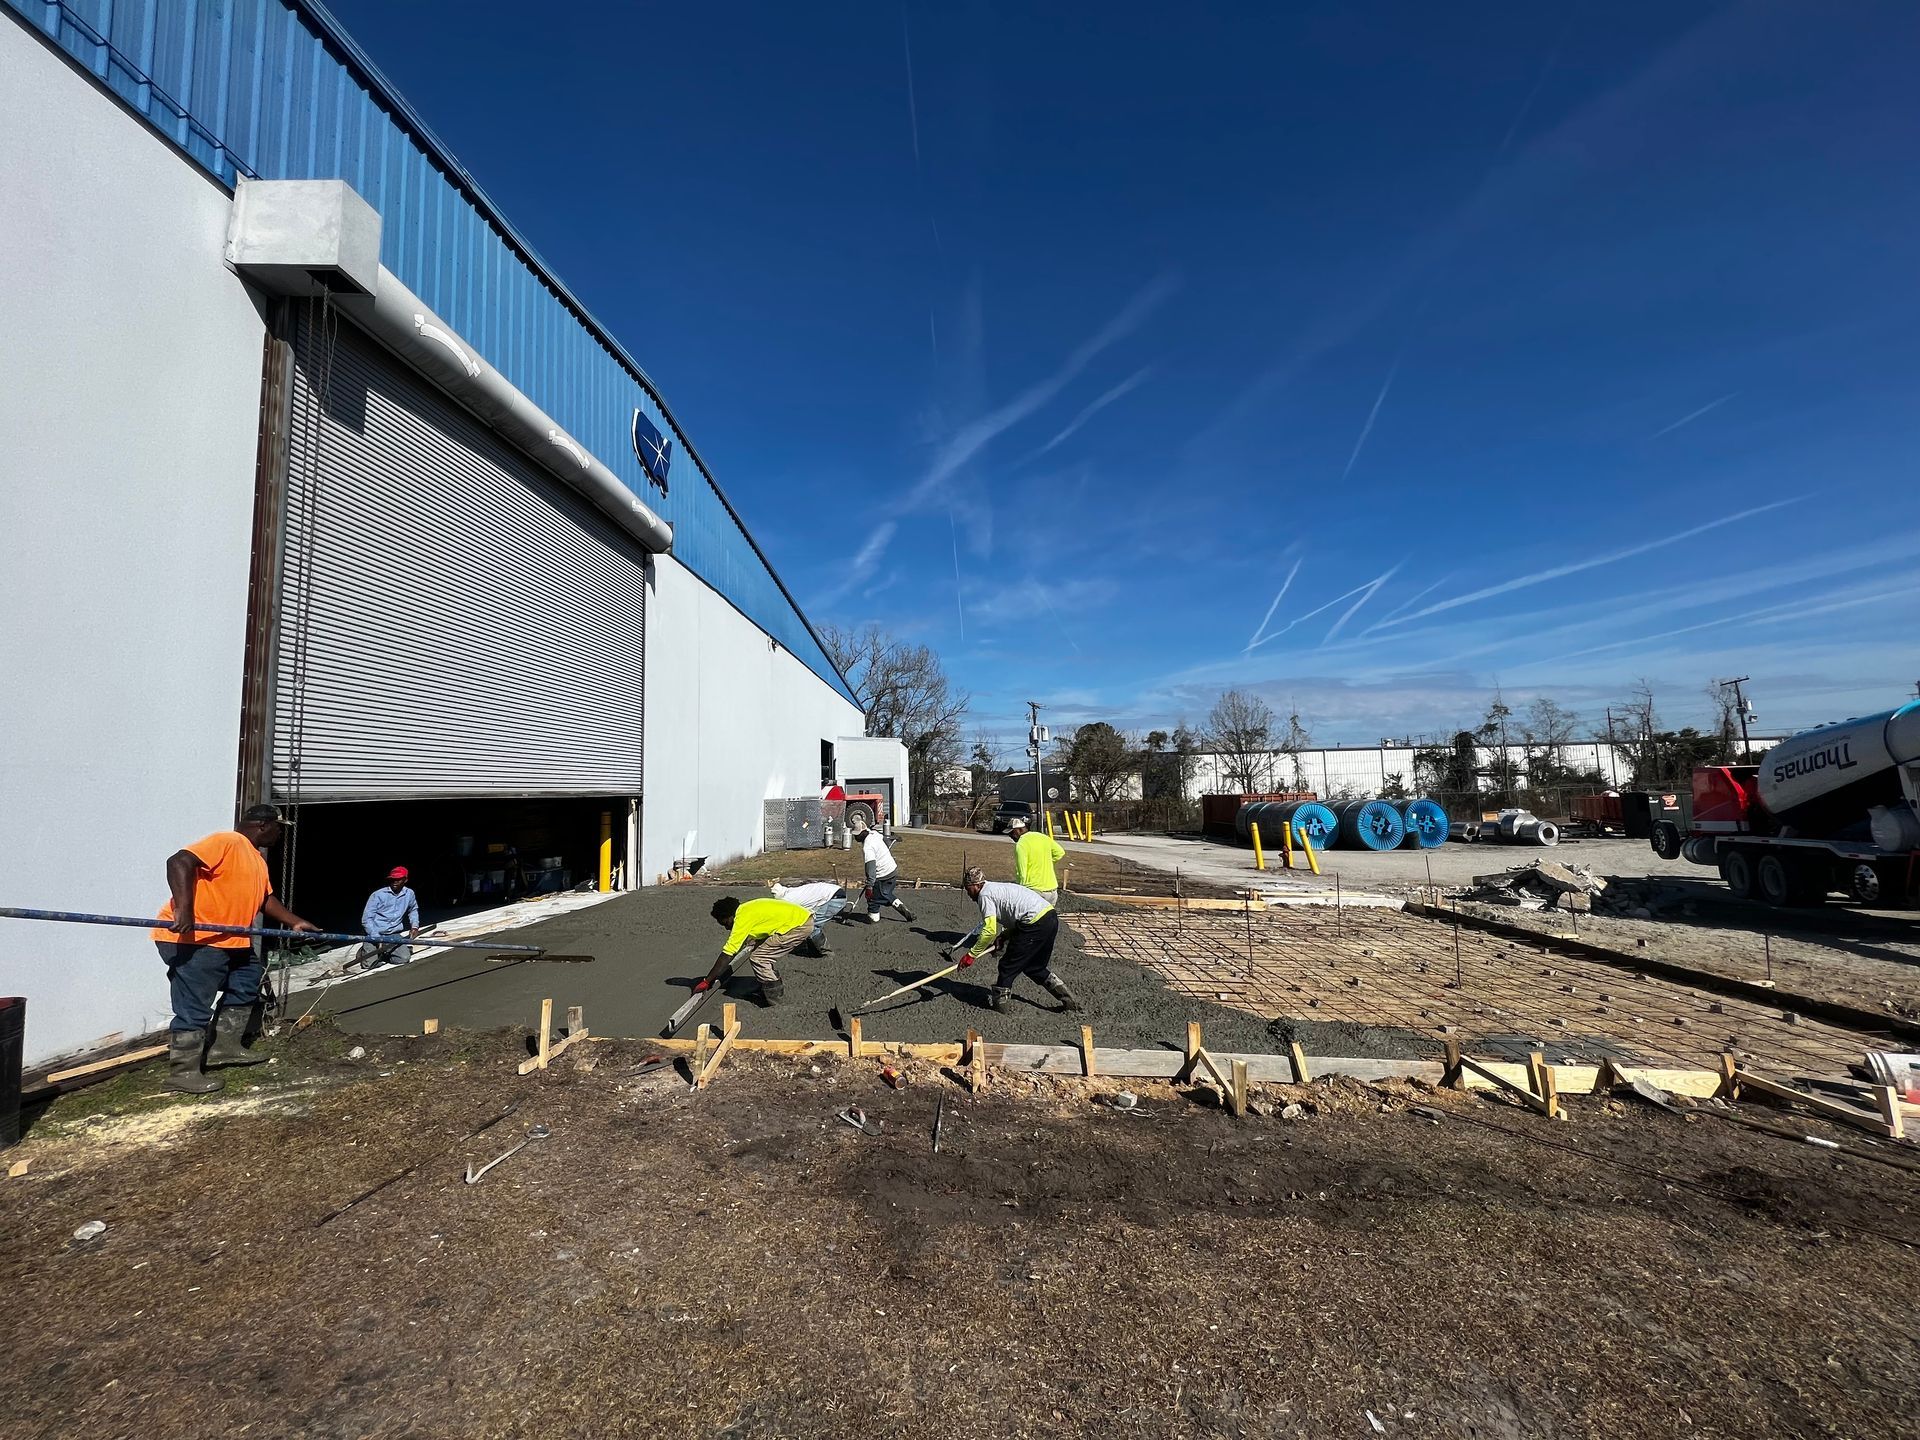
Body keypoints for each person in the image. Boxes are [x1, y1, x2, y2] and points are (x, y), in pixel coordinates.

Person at [150, 803, 318, 1093]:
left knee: (246, 982)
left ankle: (223, 1048)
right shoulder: (227, 841)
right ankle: (182, 1073)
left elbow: (265, 899)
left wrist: (295, 921)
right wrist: (185, 911)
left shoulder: (256, 859)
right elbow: (178, 862)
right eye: (278, 828)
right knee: (194, 1004)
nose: (279, 834)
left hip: (232, 940)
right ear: (264, 825)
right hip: (197, 938)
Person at [944, 865, 1081, 1015]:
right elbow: (1018, 915)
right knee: (1035, 967)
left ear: (975, 885)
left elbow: (989, 930)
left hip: (1035, 924)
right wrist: (1004, 936)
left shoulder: (985, 895)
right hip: (1049, 917)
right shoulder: (996, 888)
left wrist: (971, 955)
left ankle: (999, 1010)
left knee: (1007, 966)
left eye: (968, 889)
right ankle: (1070, 1001)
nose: (969, 896)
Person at [694, 894, 814, 1006]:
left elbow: (728, 952)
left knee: (758, 958)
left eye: (725, 923)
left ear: (730, 916)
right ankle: (769, 984)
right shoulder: (746, 908)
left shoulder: (741, 918)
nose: (726, 928)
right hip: (801, 919)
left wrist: (707, 980)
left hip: (798, 926)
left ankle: (774, 996)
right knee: (761, 950)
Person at [850, 814, 915, 924]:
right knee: (883, 894)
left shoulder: (867, 846)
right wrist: (891, 839)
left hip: (883, 874)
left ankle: (875, 917)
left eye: (857, 835)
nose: (855, 838)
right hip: (892, 870)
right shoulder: (874, 834)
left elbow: (870, 867)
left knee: (874, 897)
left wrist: (869, 885)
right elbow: (885, 840)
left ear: (863, 832)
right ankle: (874, 915)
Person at [355, 866, 420, 968]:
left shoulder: (409, 894)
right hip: (374, 934)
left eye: (398, 879)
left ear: (405, 880)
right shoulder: (378, 895)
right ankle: (365, 951)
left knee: (403, 959)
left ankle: (385, 952)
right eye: (392, 879)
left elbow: (413, 910)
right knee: (369, 964)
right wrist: (376, 937)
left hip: (393, 934)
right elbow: (366, 919)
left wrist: (415, 926)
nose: (395, 882)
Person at [769, 878, 850, 955]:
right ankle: (813, 950)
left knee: (812, 927)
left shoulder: (788, 899)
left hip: (833, 898)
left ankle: (826, 952)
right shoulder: (791, 891)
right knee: (808, 924)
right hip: (834, 893)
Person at [1007, 814, 1067, 905]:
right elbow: (1060, 852)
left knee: (1031, 918)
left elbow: (1022, 873)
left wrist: (1020, 893)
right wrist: (1046, 862)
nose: (1010, 836)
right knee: (1048, 918)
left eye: (1011, 833)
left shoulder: (1021, 844)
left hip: (1034, 891)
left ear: (1019, 830)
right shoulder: (1042, 837)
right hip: (1051, 891)